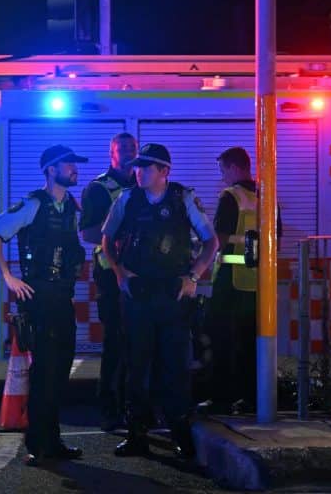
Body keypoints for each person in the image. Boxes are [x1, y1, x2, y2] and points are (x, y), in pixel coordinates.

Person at [101, 143, 218, 459]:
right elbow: (106, 238)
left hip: (172, 295)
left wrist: (193, 276)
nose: (138, 172)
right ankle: (137, 435)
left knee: (175, 368)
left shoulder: (183, 198)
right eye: (137, 166)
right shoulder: (128, 199)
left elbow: (211, 242)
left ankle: (180, 432)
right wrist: (119, 272)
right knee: (137, 367)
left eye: (146, 167)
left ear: (164, 171)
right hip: (138, 296)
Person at [0, 144, 88, 467]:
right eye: (69, 164)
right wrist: (7, 276)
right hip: (38, 297)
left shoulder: (71, 205)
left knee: (59, 372)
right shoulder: (33, 204)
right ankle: (38, 445)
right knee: (43, 373)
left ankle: (53, 441)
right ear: (51, 169)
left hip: (62, 298)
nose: (74, 169)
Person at [79, 132, 137, 432]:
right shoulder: (99, 189)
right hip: (111, 278)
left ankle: (135, 408)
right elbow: (88, 233)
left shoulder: (144, 186)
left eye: (132, 147)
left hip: (142, 279)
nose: (128, 152)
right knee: (115, 343)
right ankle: (110, 408)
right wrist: (117, 234)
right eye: (122, 148)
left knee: (139, 345)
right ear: (111, 153)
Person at [205, 147, 260, 414]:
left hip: (230, 281)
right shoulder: (267, 196)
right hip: (257, 282)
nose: (222, 177)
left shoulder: (230, 197)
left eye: (223, 170)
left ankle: (221, 398)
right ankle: (250, 398)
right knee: (251, 342)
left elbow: (219, 239)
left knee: (221, 340)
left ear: (235, 167)